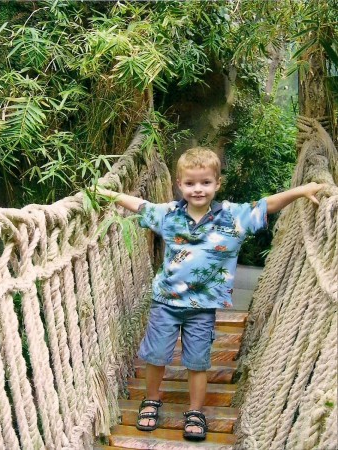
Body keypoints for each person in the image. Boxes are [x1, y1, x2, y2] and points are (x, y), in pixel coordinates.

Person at [93, 147, 325, 441]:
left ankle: (195, 411)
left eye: (205, 182)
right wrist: (108, 195)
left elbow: (265, 205)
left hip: (203, 307)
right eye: (190, 183)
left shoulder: (233, 216)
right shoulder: (169, 215)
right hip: (166, 301)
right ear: (180, 184)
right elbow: (140, 205)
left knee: (198, 361)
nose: (197, 189)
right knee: (156, 355)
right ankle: (151, 400)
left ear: (217, 184)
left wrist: (301, 190)